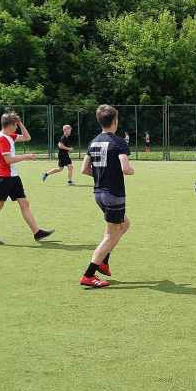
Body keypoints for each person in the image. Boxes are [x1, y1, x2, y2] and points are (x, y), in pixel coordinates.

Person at [79, 104, 135, 289]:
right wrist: (130, 170)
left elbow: (84, 169)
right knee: (112, 234)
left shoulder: (93, 141)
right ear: (115, 121)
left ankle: (104, 261)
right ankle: (89, 274)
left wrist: (101, 174)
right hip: (114, 194)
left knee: (123, 224)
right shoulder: (119, 142)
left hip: (99, 193)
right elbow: (125, 168)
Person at [0, 112, 54, 245]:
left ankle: (37, 232)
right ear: (9, 125)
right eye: (15, 125)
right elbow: (8, 160)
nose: (16, 128)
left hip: (13, 177)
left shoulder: (10, 136)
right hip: (5, 177)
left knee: (24, 203)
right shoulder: (2, 138)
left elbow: (27, 137)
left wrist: (20, 122)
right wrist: (26, 156)